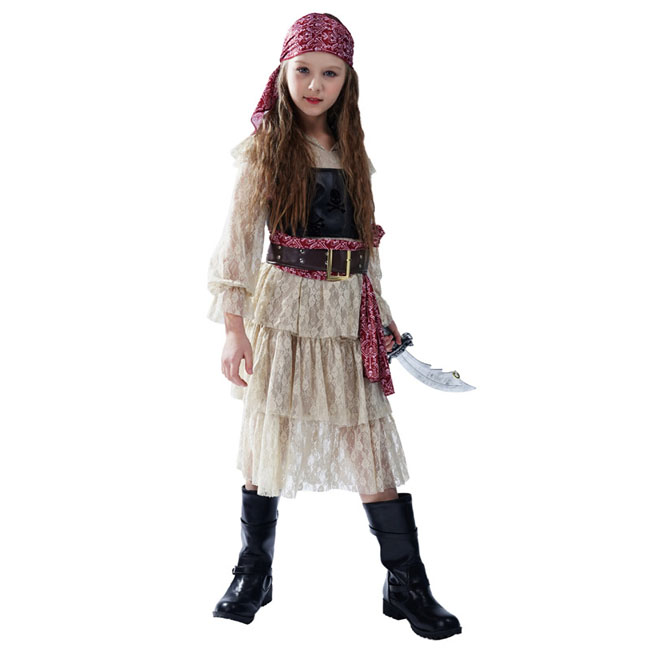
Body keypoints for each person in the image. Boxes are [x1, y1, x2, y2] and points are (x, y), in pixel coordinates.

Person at [206, 12, 462, 640]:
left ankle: (406, 582)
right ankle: (253, 571)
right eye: (303, 71)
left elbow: (365, 250)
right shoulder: (267, 148)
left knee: (367, 444)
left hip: (347, 311)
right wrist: (234, 328)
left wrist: (384, 319)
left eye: (329, 73)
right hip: (286, 310)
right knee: (270, 436)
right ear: (283, 72)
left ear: (347, 80)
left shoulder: (353, 151)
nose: (315, 85)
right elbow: (238, 241)